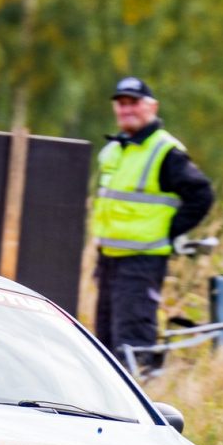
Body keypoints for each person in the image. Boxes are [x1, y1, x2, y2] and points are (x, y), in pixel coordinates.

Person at [91, 74, 214, 375]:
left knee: (133, 344)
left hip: (141, 262)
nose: (126, 109)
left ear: (152, 107)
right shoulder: (114, 150)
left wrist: (166, 233)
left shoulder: (165, 151)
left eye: (133, 103)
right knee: (104, 344)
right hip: (109, 261)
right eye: (121, 103)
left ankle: (141, 399)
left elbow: (201, 195)